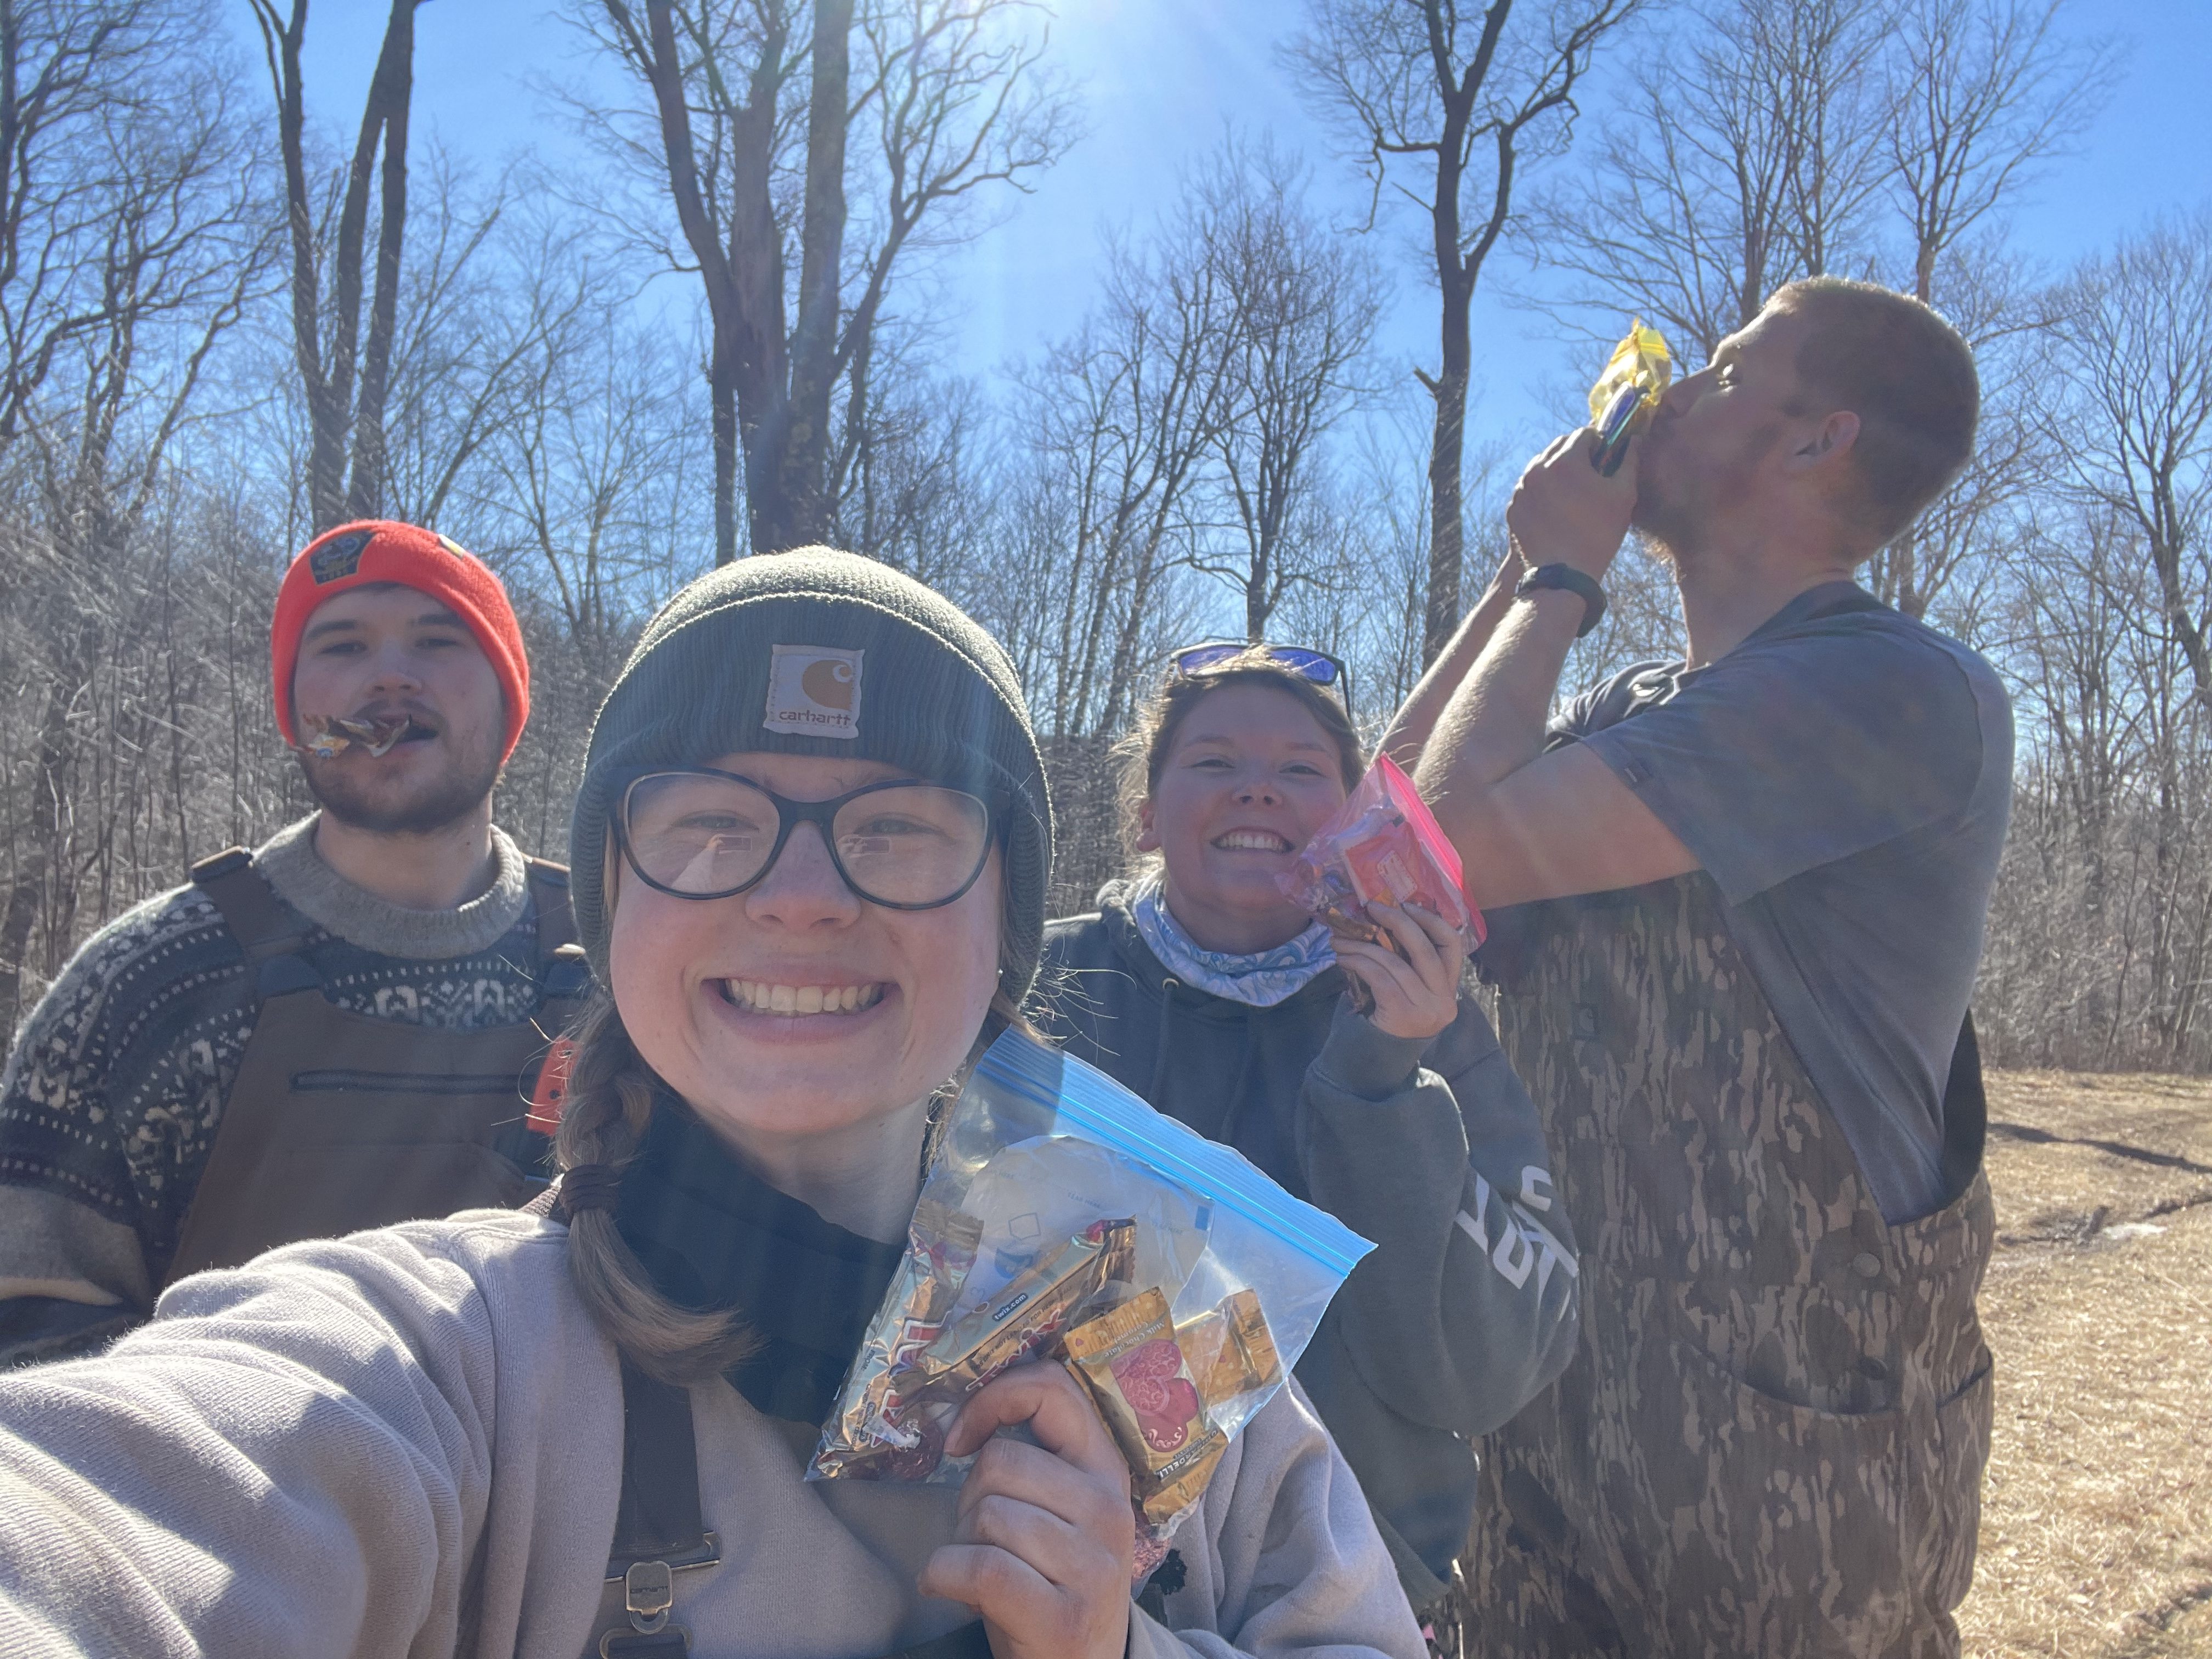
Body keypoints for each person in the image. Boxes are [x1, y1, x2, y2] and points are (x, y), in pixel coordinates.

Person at [0, 549, 1426, 1659]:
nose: (800, 897)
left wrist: (1115, 1641)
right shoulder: (456, 1365)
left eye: (898, 829)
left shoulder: (1171, 1341)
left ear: (1007, 934)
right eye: (709, 825)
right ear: (614, 912)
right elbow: (110, 1521)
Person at [1389, 278, 2012, 1656]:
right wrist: (1519, 579)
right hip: (1553, 1401)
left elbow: (1458, 852)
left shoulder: (1893, 691)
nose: (1669, 392)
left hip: (1788, 1456)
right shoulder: (1635, 711)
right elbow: (1384, 844)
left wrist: (1564, 580)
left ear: (1815, 442)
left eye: (1727, 372)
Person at [1036, 646, 1578, 1620]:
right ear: (1146, 814)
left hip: (1356, 1601)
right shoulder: (1042, 984)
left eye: (1299, 770)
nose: (1257, 792)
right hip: (1056, 1582)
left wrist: (1383, 1075)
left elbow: (1488, 1376)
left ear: (1348, 823)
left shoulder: (1433, 1013)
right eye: (1214, 763)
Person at [0, 520, 586, 1368]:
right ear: (295, 714)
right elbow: (29, 1347)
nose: (391, 674)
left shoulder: (621, 973)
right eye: (343, 646)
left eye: (438, 638)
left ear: (508, 703)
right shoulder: (146, 985)